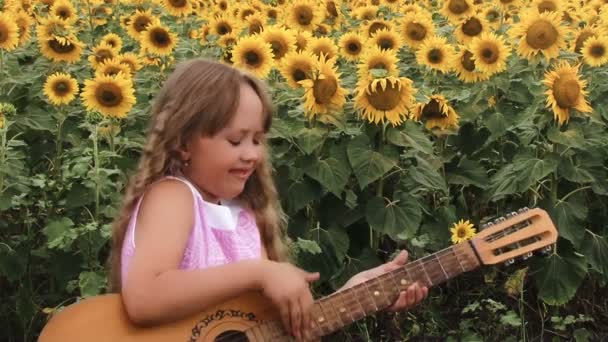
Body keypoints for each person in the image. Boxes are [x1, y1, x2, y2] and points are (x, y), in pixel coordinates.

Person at [107, 58, 428, 341]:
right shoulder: (173, 197)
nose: (252, 154)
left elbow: (266, 331)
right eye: (235, 140)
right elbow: (144, 297)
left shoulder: (245, 217)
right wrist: (260, 272)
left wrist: (358, 294)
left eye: (258, 139)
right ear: (182, 143)